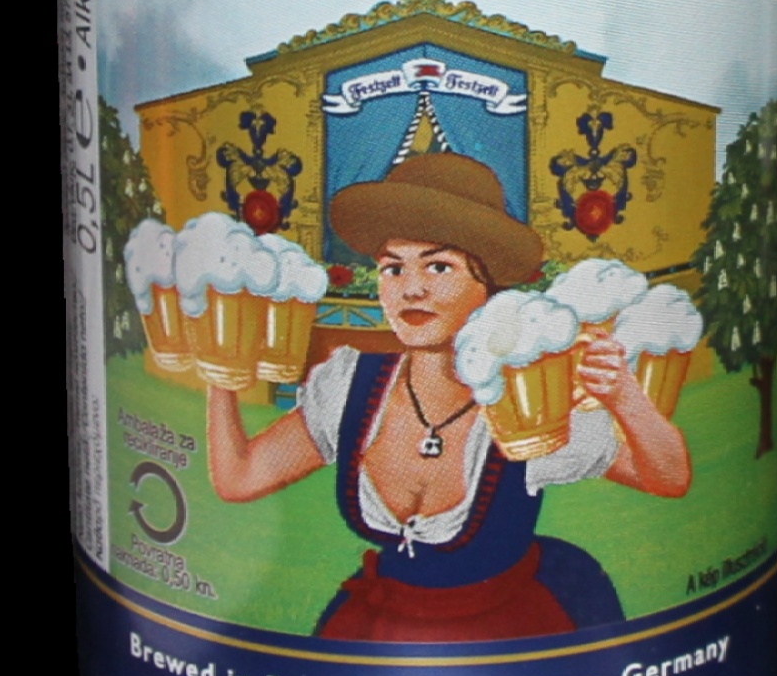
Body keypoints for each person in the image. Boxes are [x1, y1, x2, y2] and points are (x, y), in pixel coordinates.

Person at [206, 152, 691, 643]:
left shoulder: (527, 398)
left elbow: (669, 479)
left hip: (515, 631)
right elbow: (239, 478)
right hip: (377, 626)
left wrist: (625, 398)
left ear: (488, 284)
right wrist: (218, 371)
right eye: (393, 269)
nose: (411, 289)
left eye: (439, 266)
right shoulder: (350, 385)